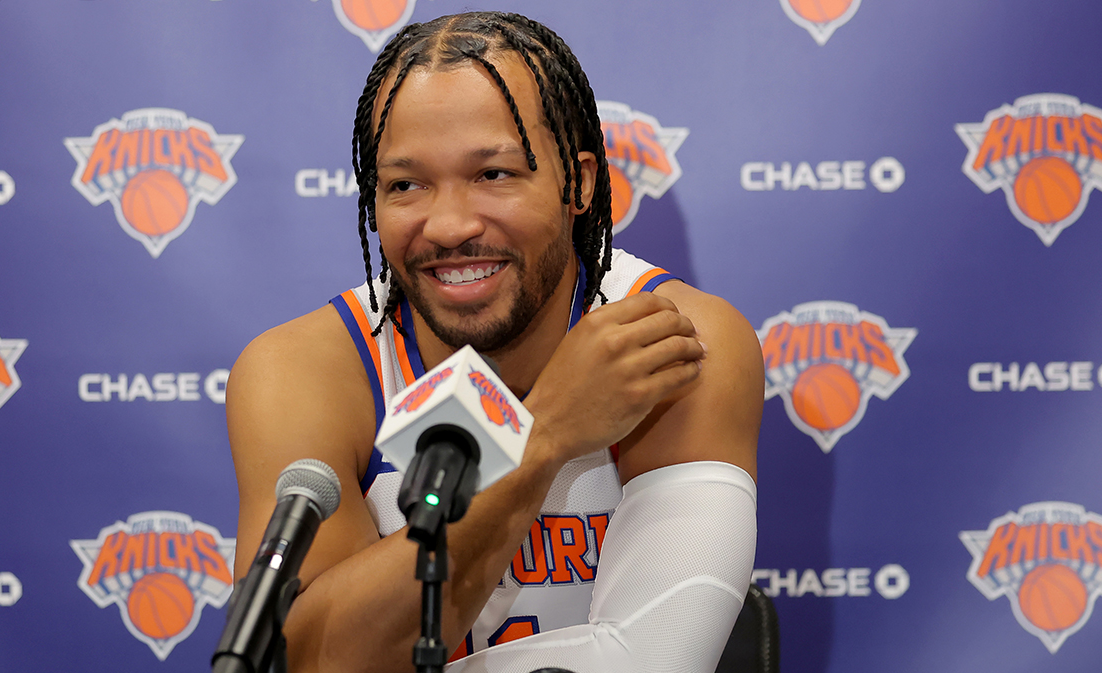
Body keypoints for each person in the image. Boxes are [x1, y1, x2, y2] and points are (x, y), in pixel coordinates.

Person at [226, 11, 762, 673]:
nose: (448, 224)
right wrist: (542, 434)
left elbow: (652, 658)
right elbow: (304, 661)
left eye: (494, 175)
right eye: (406, 184)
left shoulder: (676, 339)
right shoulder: (307, 368)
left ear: (580, 182)